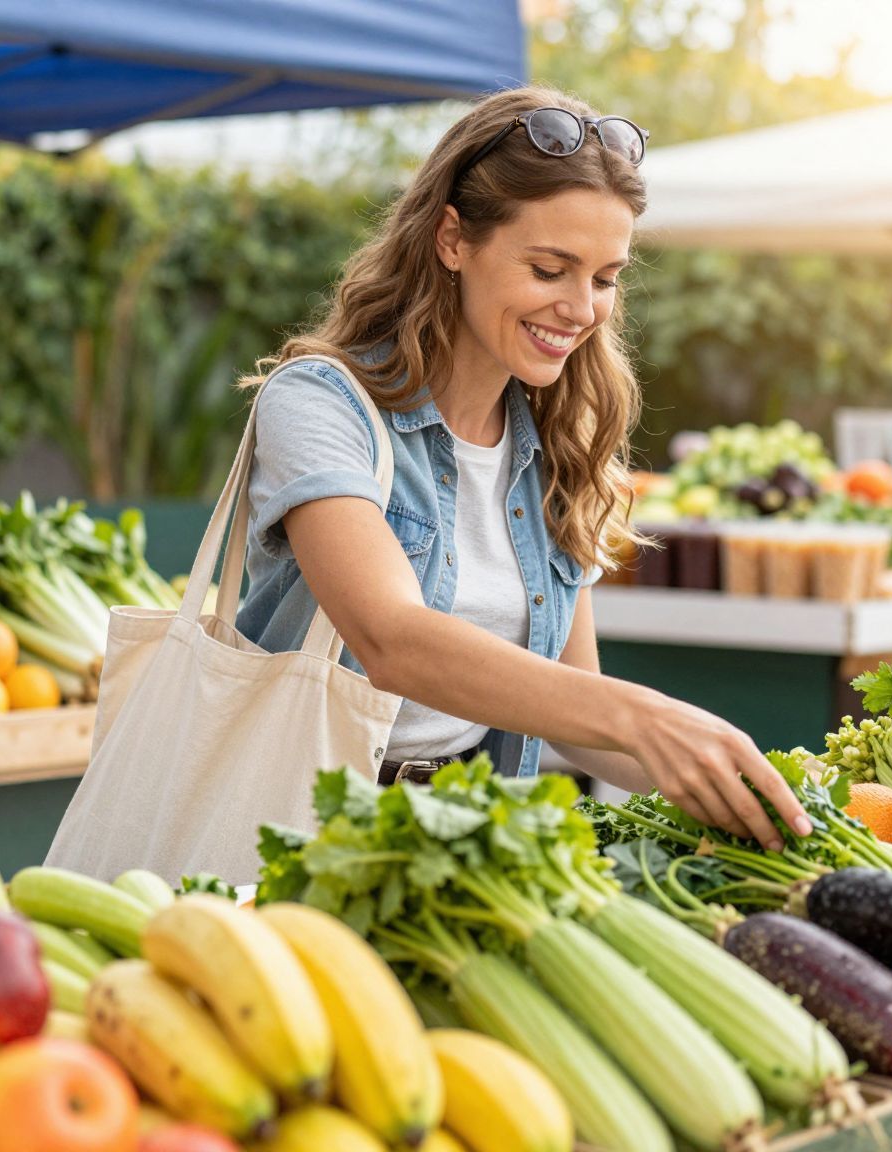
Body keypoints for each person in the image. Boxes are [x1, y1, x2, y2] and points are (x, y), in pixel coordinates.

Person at [232, 87, 810, 849]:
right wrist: (646, 717)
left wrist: (760, 789)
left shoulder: (557, 442)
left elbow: (583, 722)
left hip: (461, 847)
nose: (581, 308)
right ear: (451, 240)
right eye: (549, 268)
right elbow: (392, 639)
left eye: (605, 278)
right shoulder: (321, 404)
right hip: (290, 839)